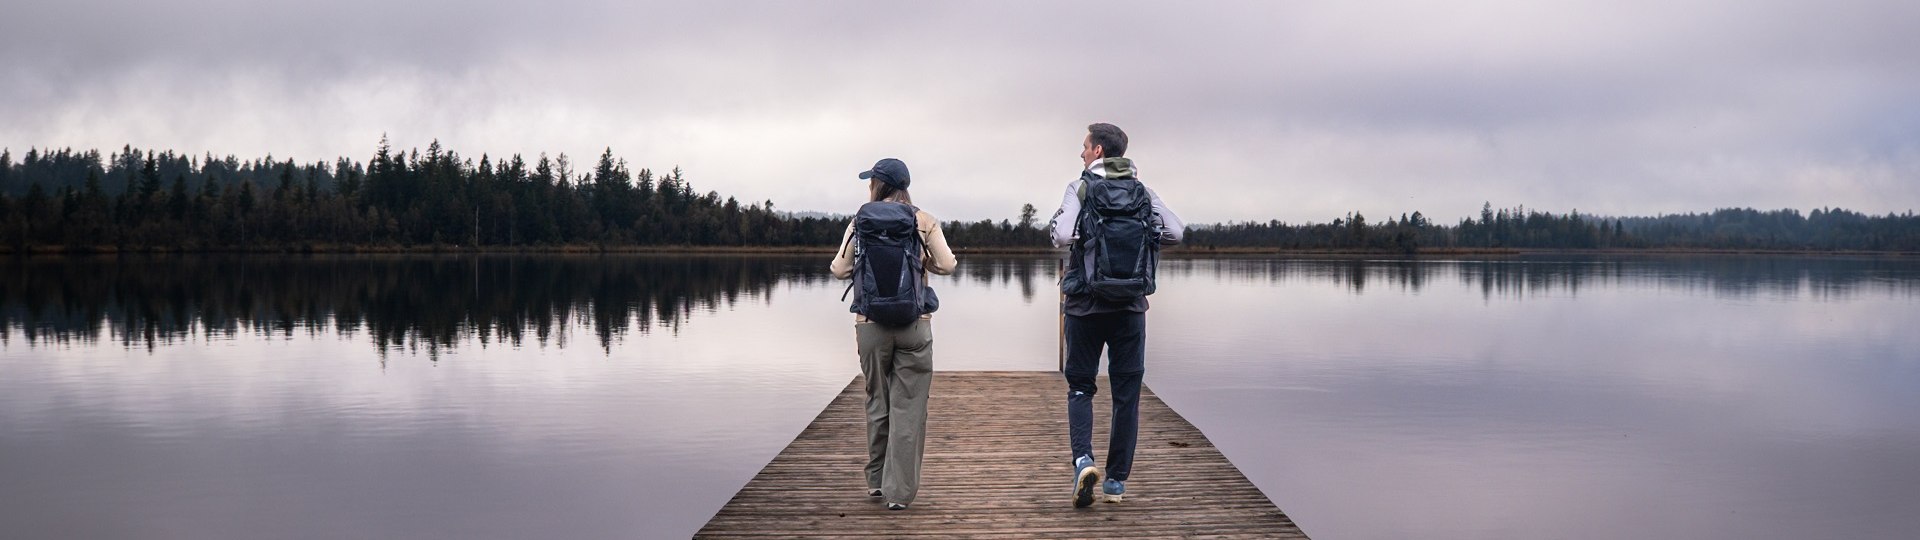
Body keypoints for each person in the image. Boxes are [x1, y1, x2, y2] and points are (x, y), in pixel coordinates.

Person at [1047, 123, 1183, 508]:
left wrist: (1083, 239)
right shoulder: (1142, 191)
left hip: (1085, 305)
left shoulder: (1081, 187)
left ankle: (1083, 460)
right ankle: (1116, 483)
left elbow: (1059, 236)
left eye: (1085, 147)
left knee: (1080, 387)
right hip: (1130, 308)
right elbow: (1175, 231)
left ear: (1099, 151)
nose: (1081, 153)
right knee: (1127, 395)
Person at [831, 157, 957, 511]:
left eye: (870, 180)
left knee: (877, 399)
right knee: (909, 406)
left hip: (870, 326)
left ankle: (875, 481)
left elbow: (839, 270)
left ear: (879, 184)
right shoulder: (923, 220)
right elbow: (948, 264)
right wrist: (925, 262)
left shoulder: (861, 220)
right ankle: (898, 494)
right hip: (914, 323)